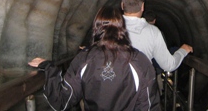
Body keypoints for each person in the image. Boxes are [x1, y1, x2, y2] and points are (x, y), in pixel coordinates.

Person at [29, 6, 160, 111]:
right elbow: (149, 106)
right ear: (121, 27)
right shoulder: (139, 61)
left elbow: (62, 101)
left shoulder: (84, 59)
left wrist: (50, 69)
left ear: (96, 27)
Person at [121, 0, 193, 73]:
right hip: (141, 83)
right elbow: (169, 65)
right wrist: (183, 51)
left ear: (122, 5)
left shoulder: (109, 29)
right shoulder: (153, 32)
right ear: (142, 7)